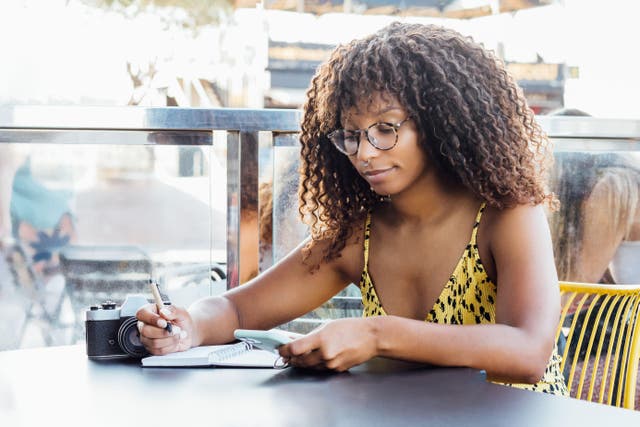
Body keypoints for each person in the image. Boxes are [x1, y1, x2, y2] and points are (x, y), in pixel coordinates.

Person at [137, 22, 567, 395]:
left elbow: (528, 352)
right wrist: (188, 325)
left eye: (385, 128)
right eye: (351, 134)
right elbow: (237, 310)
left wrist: (377, 335)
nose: (363, 153)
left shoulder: (507, 216)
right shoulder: (359, 236)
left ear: (441, 122)